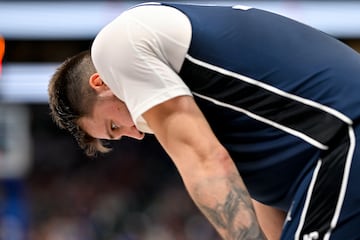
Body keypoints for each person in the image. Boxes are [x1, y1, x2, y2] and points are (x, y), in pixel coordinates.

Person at [48, 2, 360, 240]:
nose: (136, 135)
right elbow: (259, 192)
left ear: (101, 82)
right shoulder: (214, 100)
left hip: (342, 135)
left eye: (114, 126)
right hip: (331, 147)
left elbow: (205, 161)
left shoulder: (115, 46)